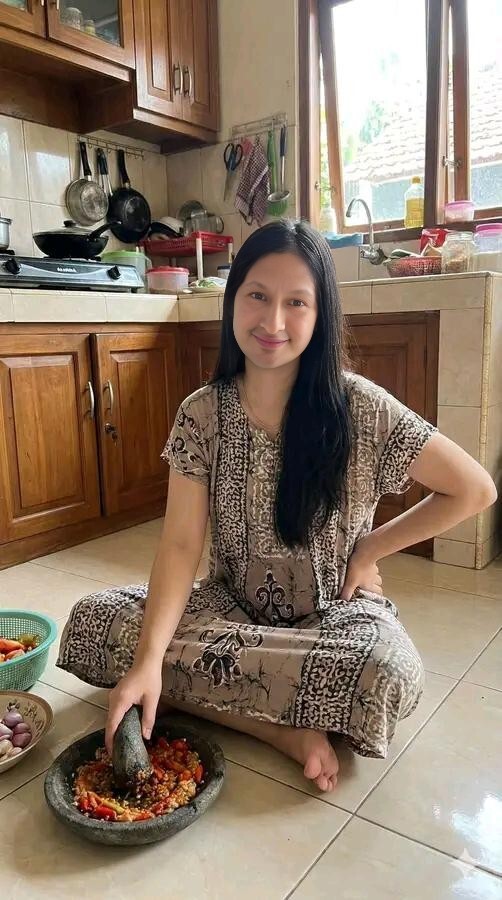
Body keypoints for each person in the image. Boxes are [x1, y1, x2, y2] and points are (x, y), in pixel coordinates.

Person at [57, 219, 496, 794]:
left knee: (388, 672)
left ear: (321, 314)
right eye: (258, 296)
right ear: (232, 299)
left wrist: (370, 549)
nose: (273, 323)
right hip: (228, 610)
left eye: (297, 303)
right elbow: (181, 545)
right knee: (94, 620)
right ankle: (280, 728)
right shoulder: (201, 414)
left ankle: (208, 696)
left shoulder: (361, 407)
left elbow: (474, 488)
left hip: (333, 618)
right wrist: (146, 660)